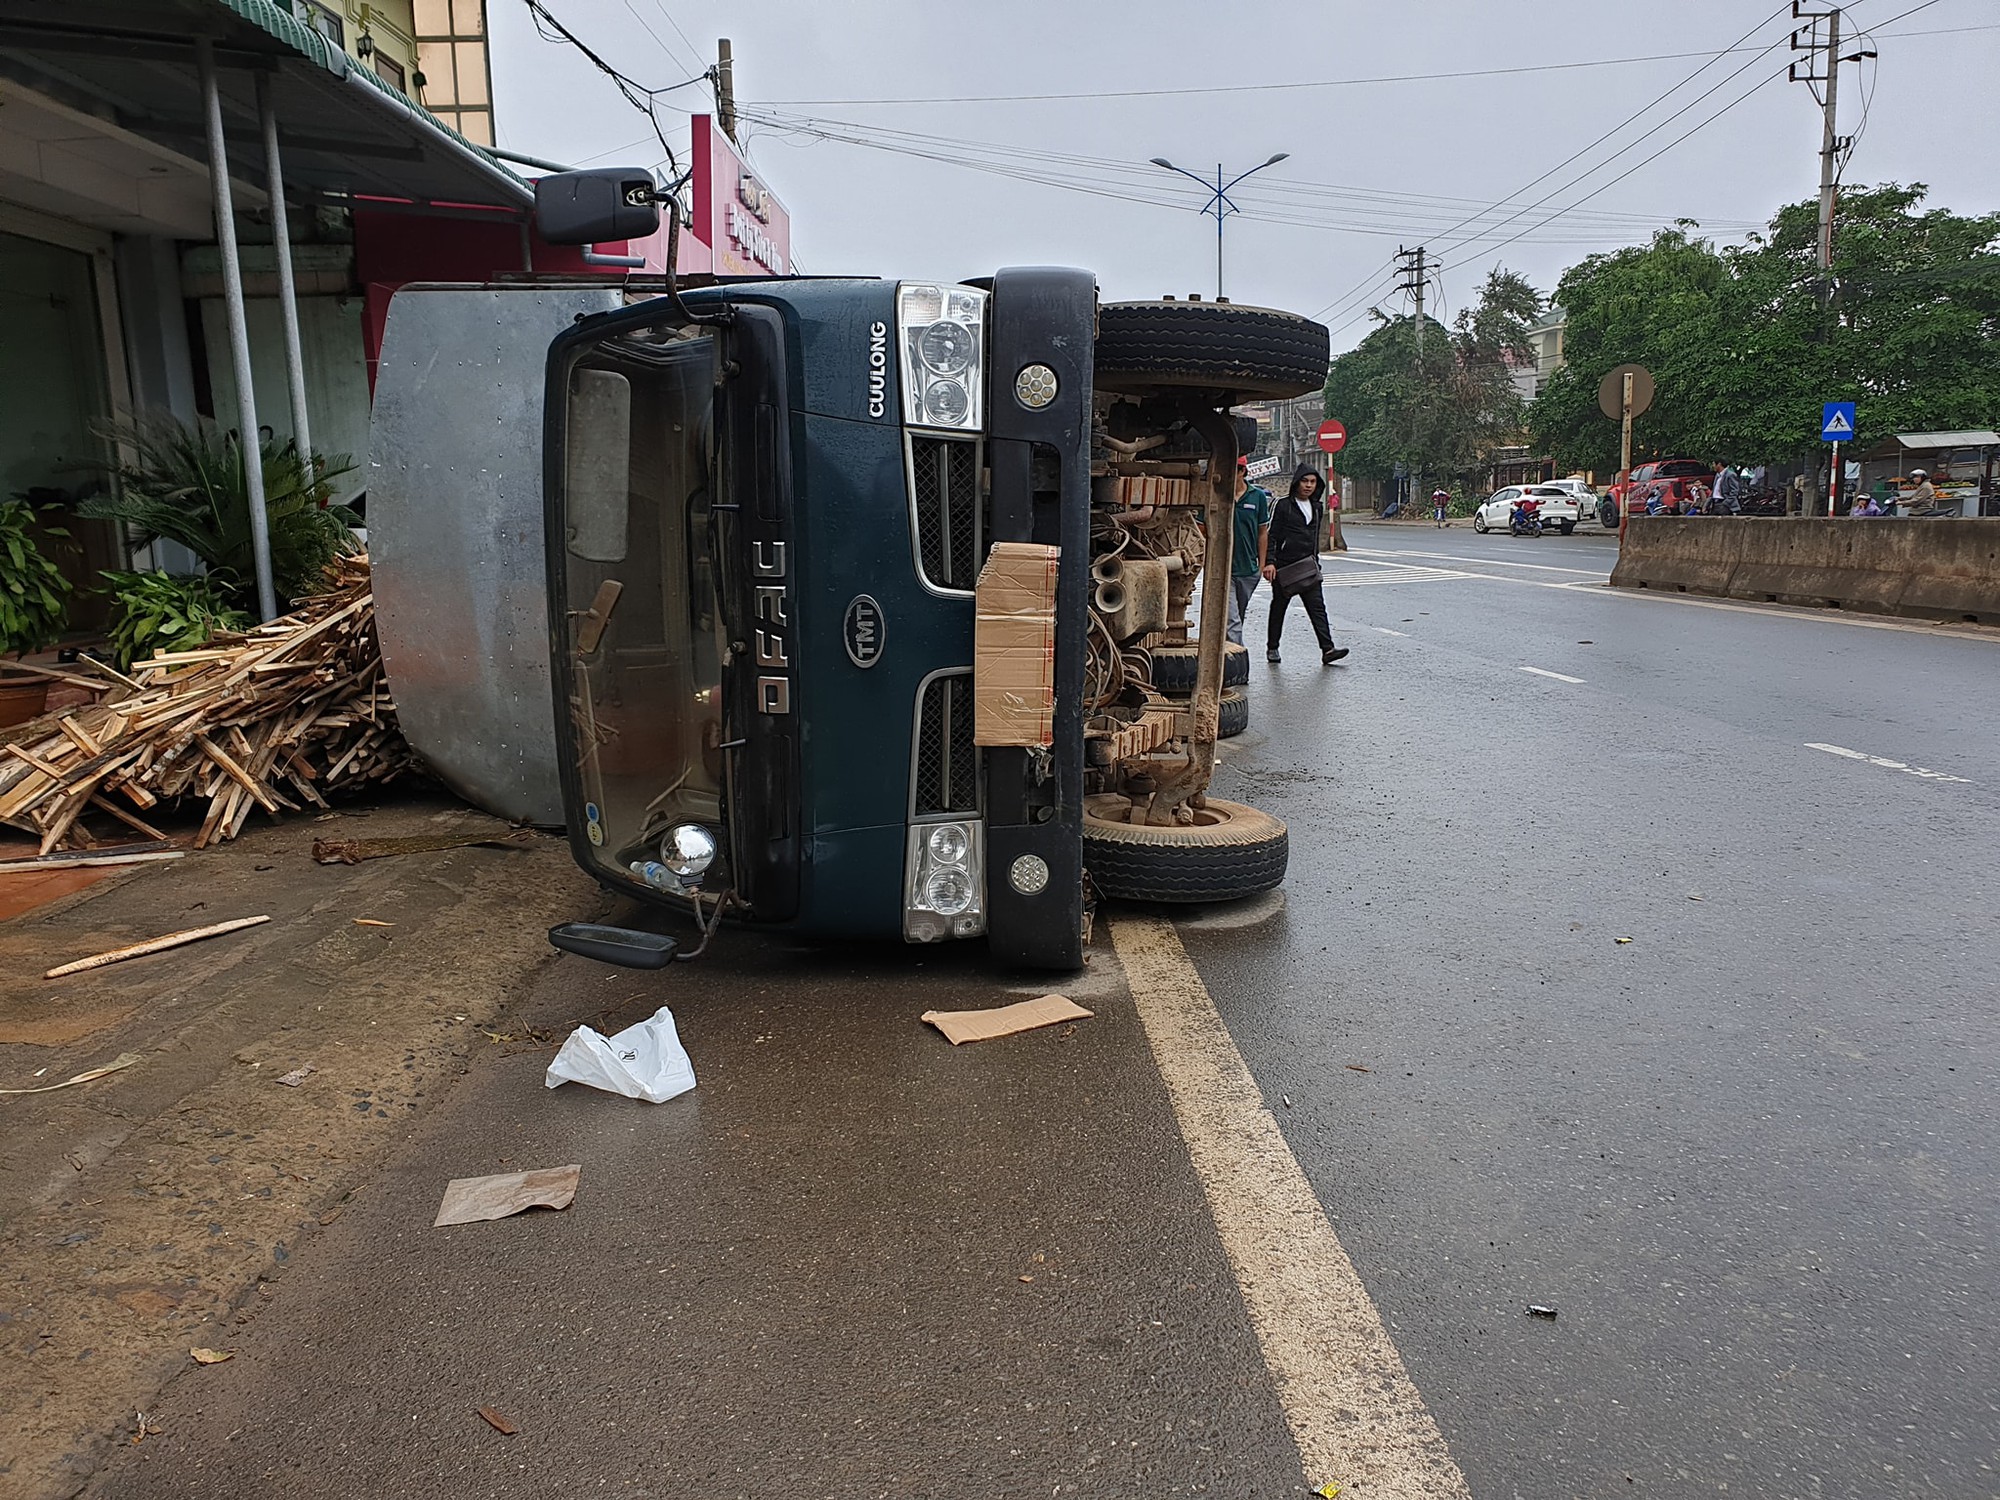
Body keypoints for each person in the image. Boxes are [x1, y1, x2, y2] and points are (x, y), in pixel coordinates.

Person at [1263, 465, 1347, 666]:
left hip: (1308, 567)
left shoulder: (1316, 507)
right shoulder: (1282, 505)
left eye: (1313, 482)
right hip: (1284, 567)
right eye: (1305, 481)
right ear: (1297, 482)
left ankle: (1327, 649)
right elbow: (1271, 535)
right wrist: (1269, 562)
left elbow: (1314, 538)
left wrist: (1316, 563)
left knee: (1317, 608)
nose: (1309, 486)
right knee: (1279, 607)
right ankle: (1272, 646)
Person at [1225, 456, 1272, 646]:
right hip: (1224, 569)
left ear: (1242, 471)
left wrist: (1260, 565)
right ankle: (1237, 660)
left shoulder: (1257, 497)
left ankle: (1225, 651)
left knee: (1237, 616)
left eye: (1233, 470)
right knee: (1231, 619)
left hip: (1248, 569)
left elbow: (1262, 532)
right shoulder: (1218, 494)